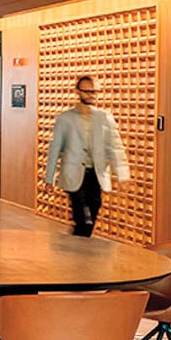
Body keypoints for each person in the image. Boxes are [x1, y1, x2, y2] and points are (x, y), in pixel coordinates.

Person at [43, 75, 131, 237]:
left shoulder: (105, 118)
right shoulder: (65, 119)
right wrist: (49, 179)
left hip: (96, 174)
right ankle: (80, 253)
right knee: (83, 217)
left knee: (94, 208)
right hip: (73, 174)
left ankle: (76, 246)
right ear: (78, 92)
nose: (91, 95)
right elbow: (55, 149)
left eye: (94, 92)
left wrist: (122, 175)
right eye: (87, 91)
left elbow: (115, 147)